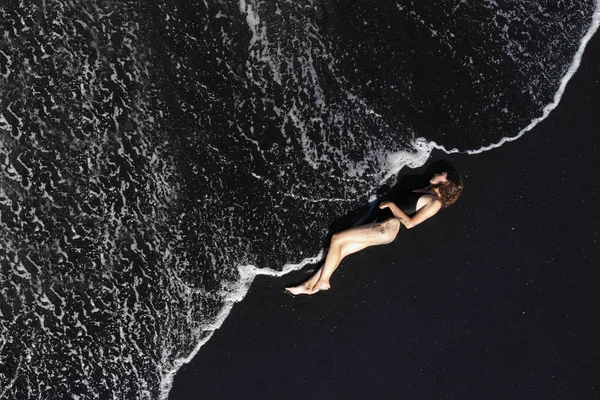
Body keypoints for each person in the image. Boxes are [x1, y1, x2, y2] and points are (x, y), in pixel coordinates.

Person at [285, 169, 463, 295]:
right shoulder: (426, 190)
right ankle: (309, 286)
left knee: (337, 239)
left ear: (447, 183)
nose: (436, 173)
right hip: (380, 224)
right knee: (342, 249)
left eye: (441, 174)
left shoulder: (435, 203)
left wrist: (392, 205)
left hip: (387, 228)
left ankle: (324, 281)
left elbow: (410, 223)